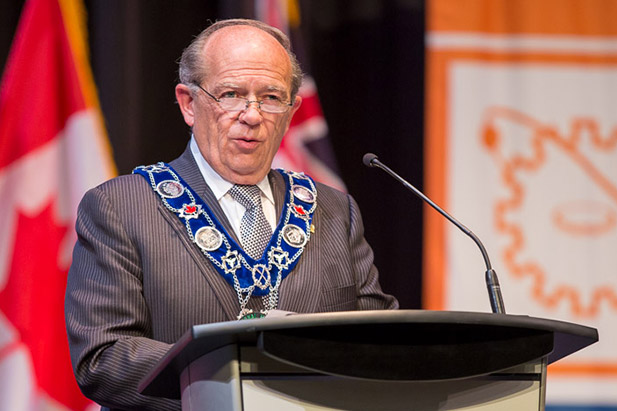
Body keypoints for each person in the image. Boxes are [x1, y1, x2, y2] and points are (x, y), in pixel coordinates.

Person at [65, 18, 398, 410]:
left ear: (291, 111)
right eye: (231, 94)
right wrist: (229, 378)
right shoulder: (122, 208)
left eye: (271, 97)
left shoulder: (334, 210)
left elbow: (380, 342)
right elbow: (102, 358)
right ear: (189, 104)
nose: (252, 115)